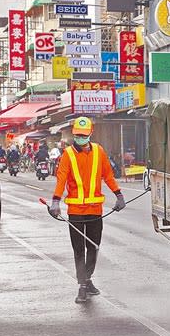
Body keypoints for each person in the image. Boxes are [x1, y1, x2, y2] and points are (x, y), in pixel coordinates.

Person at [48, 117, 125, 304]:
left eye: (84, 135)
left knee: (93, 247)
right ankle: (82, 286)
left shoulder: (99, 151)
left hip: (95, 211)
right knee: (78, 249)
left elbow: (108, 175)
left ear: (91, 133)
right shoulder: (67, 154)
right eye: (78, 135)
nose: (80, 138)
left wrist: (119, 195)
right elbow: (61, 179)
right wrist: (56, 201)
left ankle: (87, 278)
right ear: (74, 134)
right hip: (75, 211)